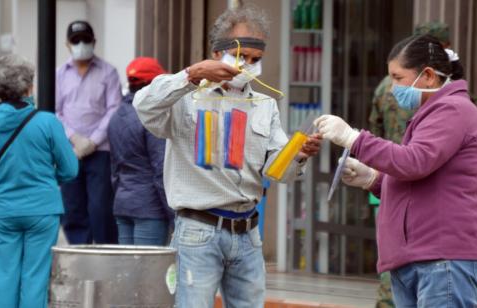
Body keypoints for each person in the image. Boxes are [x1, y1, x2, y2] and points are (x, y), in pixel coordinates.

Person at [133, 5, 321, 307]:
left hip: (247, 233)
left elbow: (277, 172)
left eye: (255, 59)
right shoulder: (186, 97)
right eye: (240, 56)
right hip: (198, 229)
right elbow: (144, 106)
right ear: (217, 52)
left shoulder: (264, 104)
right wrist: (192, 75)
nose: (247, 65)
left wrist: (298, 155)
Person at [315, 34, 477, 307]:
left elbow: (414, 162)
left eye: (398, 78)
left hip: (443, 259)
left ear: (428, 76)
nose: (392, 87)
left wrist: (354, 139)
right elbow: (417, 179)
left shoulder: (453, 110)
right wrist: (373, 179)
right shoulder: (429, 113)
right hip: (418, 259)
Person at [0, 54, 78, 308]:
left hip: (4, 211)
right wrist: (47, 182)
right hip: (42, 210)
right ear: (27, 88)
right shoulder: (47, 123)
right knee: (36, 277)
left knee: (6, 279)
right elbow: (70, 169)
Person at [368, 21, 451, 308]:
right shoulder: (430, 94)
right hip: (398, 176)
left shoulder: (386, 87)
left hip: (389, 170)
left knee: (394, 253)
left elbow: (374, 126)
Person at [56, 20, 122, 244]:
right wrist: (74, 138)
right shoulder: (59, 75)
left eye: (86, 39)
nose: (81, 44)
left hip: (100, 151)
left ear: (94, 42)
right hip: (70, 151)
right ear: (67, 44)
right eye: (76, 40)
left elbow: (114, 109)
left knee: (101, 208)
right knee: (72, 207)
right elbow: (55, 111)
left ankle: (106, 255)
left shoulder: (108, 72)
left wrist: (92, 141)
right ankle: (79, 253)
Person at [108, 57, 174, 245]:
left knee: (127, 270)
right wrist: (174, 215)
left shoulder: (116, 116)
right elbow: (161, 170)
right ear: (152, 84)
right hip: (150, 207)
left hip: (123, 204)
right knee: (148, 271)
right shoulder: (151, 118)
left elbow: (114, 170)